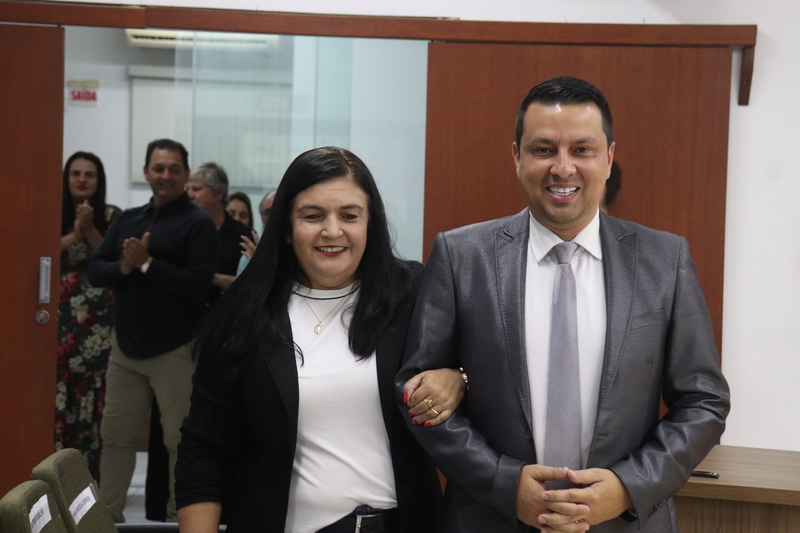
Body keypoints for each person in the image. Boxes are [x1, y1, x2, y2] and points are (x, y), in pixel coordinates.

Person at [397, 77, 730, 533]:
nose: (563, 168)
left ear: (608, 158)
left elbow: (703, 401)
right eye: (543, 150)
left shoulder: (665, 260)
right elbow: (416, 394)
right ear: (517, 157)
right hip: (489, 518)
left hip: (624, 522)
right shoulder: (461, 256)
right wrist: (502, 483)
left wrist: (629, 486)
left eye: (582, 150)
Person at [175, 147, 465, 533]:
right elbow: (203, 451)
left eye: (349, 215)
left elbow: (483, 374)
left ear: (370, 223)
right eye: (313, 216)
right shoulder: (243, 314)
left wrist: (458, 378)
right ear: (286, 229)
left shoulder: (412, 293)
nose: (332, 231)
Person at [87, 138, 219, 523]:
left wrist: (147, 265)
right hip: (125, 349)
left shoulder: (199, 225)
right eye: (158, 168)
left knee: (179, 441)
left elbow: (198, 286)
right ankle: (108, 518)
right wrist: (124, 267)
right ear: (146, 171)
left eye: (174, 169)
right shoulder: (128, 219)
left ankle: (183, 520)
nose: (165, 176)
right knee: (115, 437)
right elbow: (96, 270)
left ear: (185, 173)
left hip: (174, 349)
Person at [56, 151, 121, 481]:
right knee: (60, 391)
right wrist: (76, 233)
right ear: (66, 177)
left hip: (100, 320)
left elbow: (116, 258)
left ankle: (91, 483)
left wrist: (91, 228)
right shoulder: (52, 210)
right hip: (59, 318)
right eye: (76, 173)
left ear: (99, 180)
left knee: (96, 395)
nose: (82, 179)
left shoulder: (113, 215)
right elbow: (38, 252)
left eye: (89, 174)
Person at [186, 162, 250, 302]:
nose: (189, 195)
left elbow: (252, 286)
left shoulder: (244, 237)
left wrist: (213, 278)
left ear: (219, 193)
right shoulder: (182, 230)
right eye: (187, 189)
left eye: (196, 189)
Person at [235, 189, 276, 276]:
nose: (274, 216)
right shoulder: (250, 256)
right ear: (261, 217)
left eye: (278, 209)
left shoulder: (300, 249)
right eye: (268, 212)